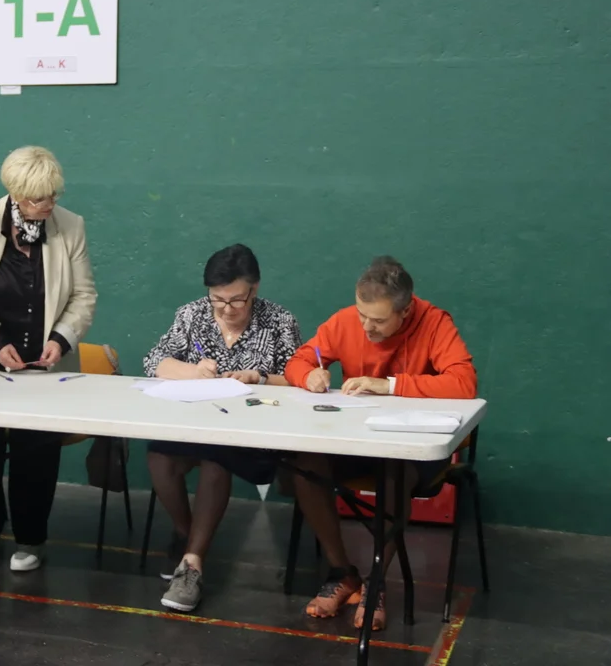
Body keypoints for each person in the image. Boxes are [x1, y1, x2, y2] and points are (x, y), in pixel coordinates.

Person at [283, 255, 477, 632]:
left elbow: (464, 382)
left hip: (414, 451)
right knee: (304, 464)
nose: (366, 327)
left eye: (378, 320)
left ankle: (376, 581)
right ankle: (342, 572)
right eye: (362, 315)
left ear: (406, 311)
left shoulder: (434, 322)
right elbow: (299, 360)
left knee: (394, 471)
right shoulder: (346, 321)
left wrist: (389, 385)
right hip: (357, 442)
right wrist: (308, 376)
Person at [0, 145, 97, 571]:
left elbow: (84, 296)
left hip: (44, 364)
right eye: (36, 199)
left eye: (52, 195)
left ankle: (31, 539)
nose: (46, 205)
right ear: (14, 194)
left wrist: (61, 340)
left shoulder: (71, 226)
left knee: (37, 453)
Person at [143, 244, 301, 612]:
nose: (226, 309)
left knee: (218, 460)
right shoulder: (192, 315)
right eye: (218, 299)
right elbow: (155, 361)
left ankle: (191, 564)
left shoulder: (279, 322)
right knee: (159, 456)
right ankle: (186, 534)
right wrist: (193, 371)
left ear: (254, 289)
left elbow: (298, 377)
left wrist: (260, 377)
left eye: (236, 300)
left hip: (251, 432)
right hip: (194, 422)